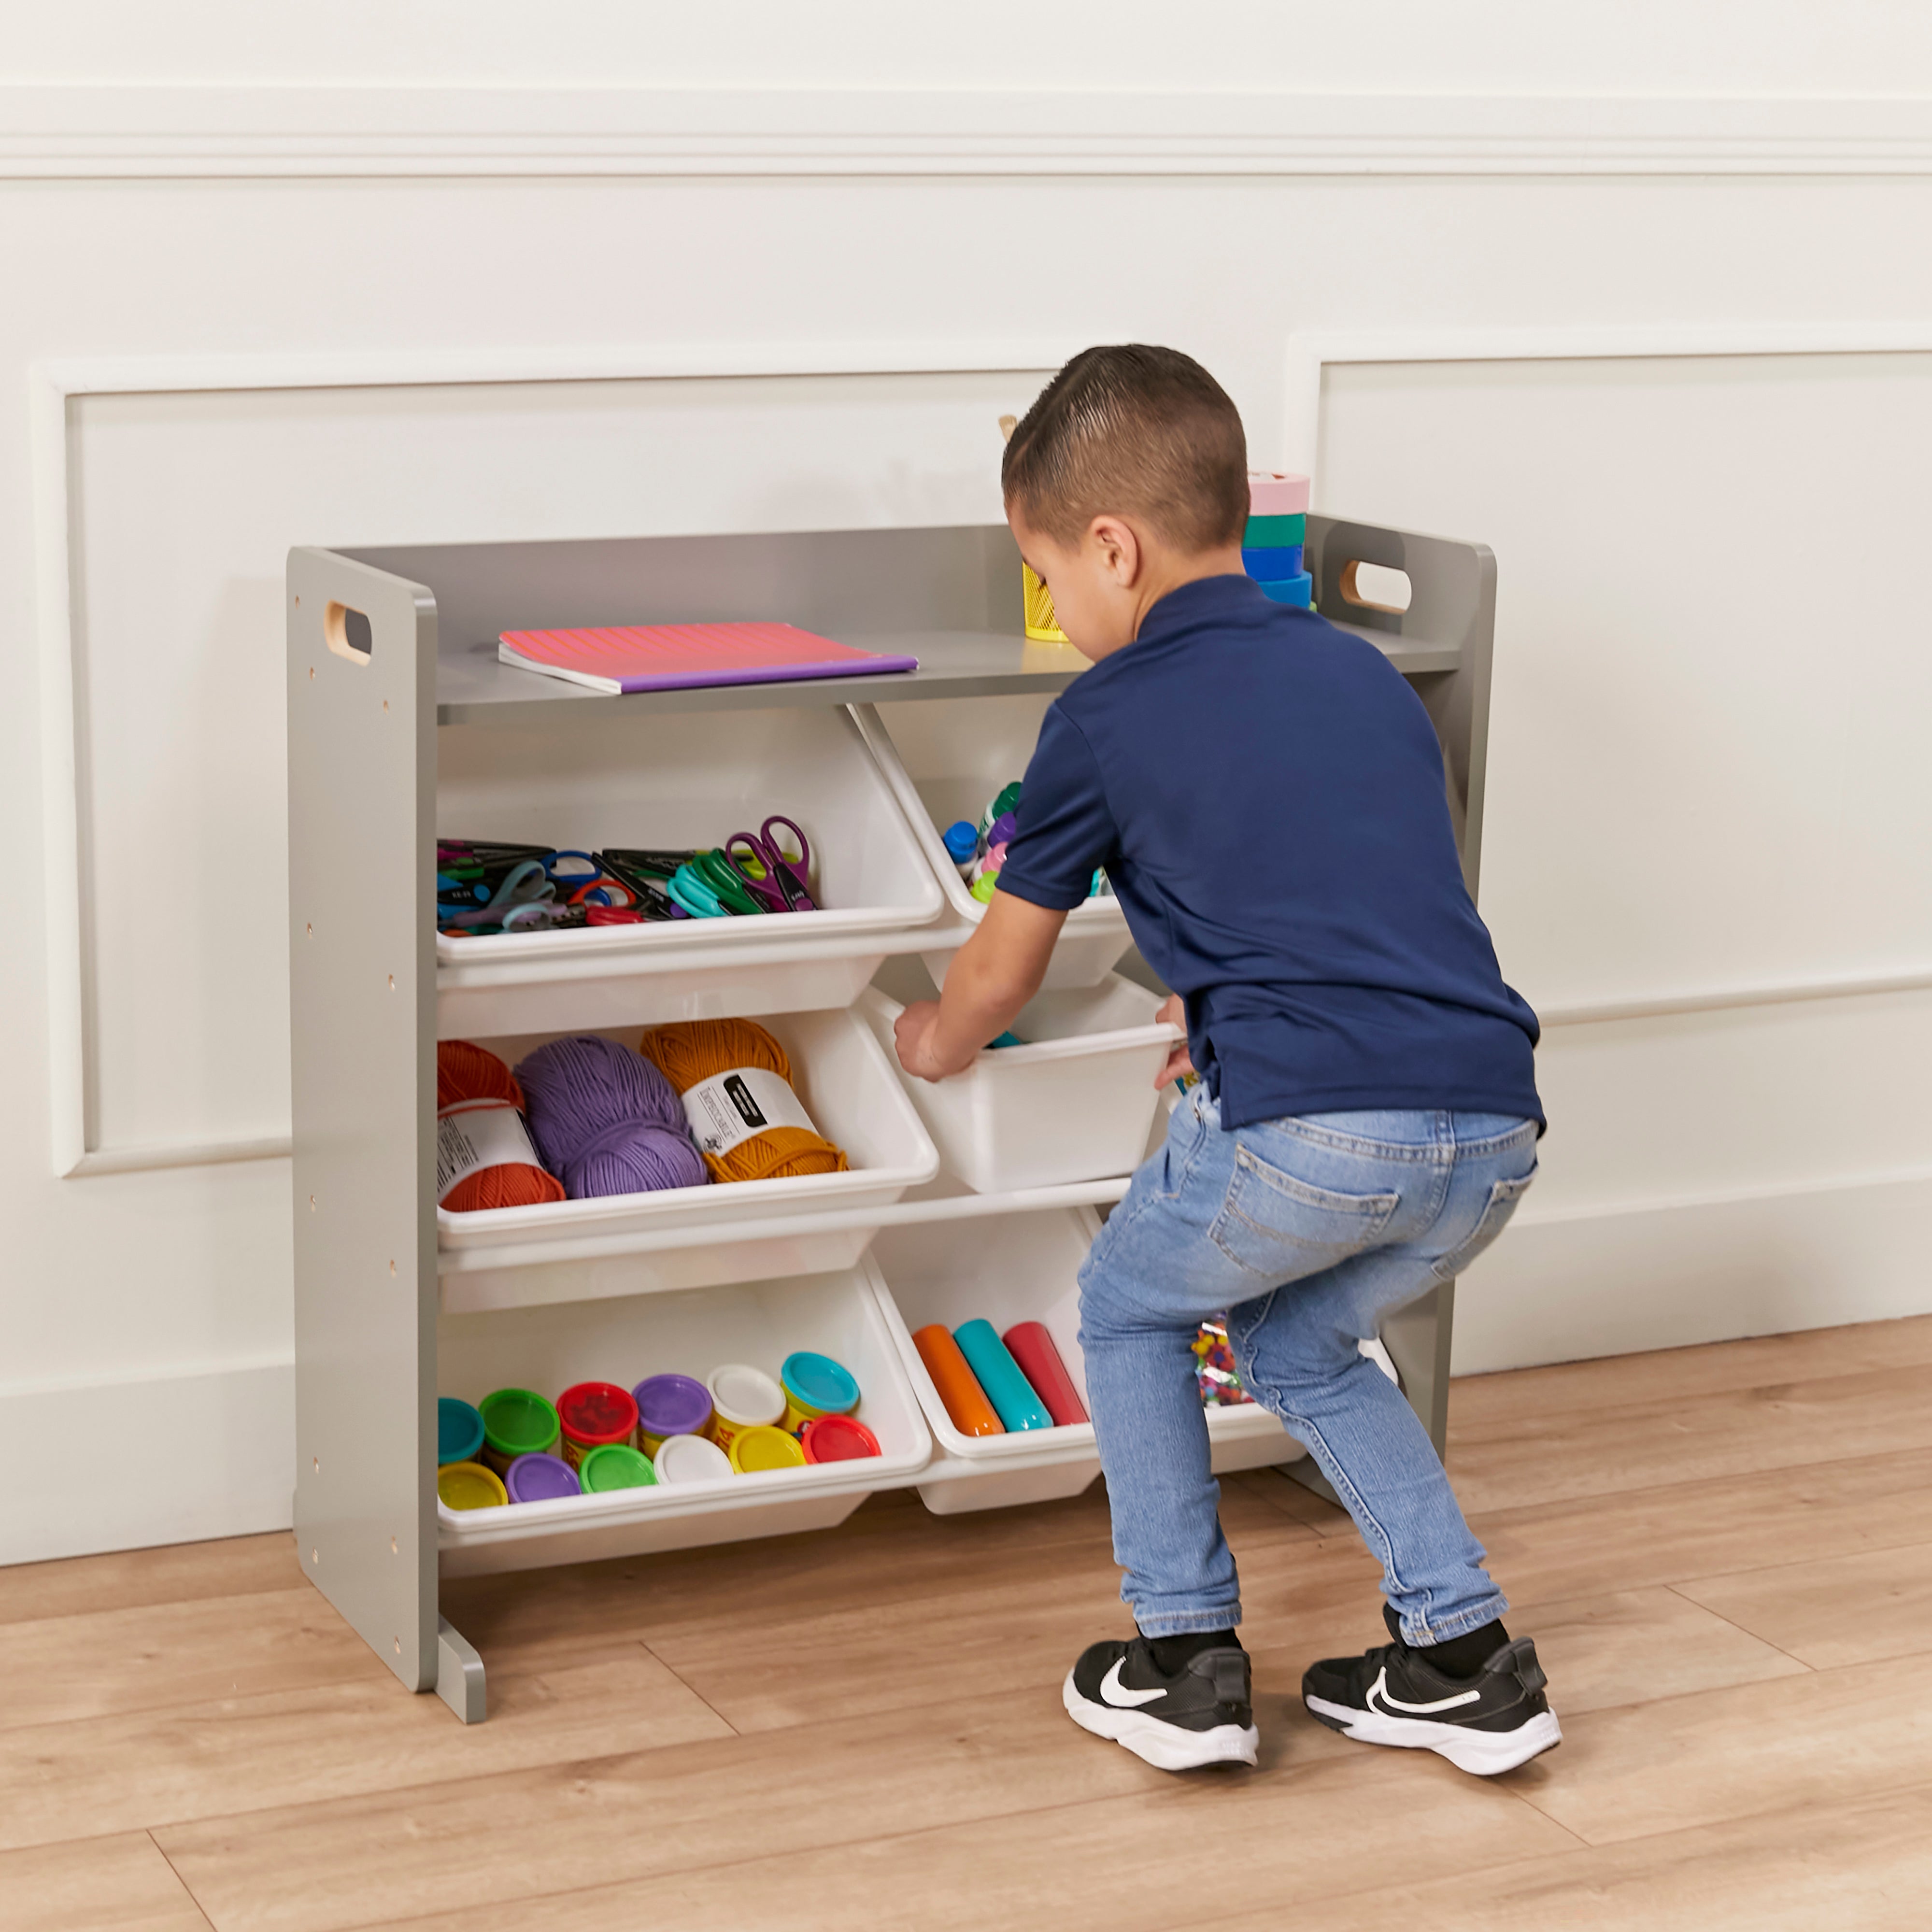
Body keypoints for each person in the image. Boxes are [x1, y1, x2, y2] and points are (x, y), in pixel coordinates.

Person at [892, 344, 1558, 1776]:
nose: (1063, 615)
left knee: (1130, 1308)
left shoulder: (1103, 718)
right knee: (1296, 1336)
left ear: (1112, 548)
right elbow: (1347, 891)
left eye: (1051, 577)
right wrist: (1214, 997)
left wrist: (929, 1042)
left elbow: (1002, 970)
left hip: (1311, 1132)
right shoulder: (1365, 674)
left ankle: (1184, 1657)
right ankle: (1462, 1659)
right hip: (1493, 1127)